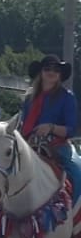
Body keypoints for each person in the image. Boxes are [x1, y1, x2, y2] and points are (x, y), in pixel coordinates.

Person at [17, 54, 80, 204]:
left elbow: (71, 129)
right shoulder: (29, 98)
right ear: (41, 72)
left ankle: (76, 213)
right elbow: (23, 124)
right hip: (29, 144)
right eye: (47, 69)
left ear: (60, 75)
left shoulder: (67, 97)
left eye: (56, 70)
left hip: (58, 146)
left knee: (77, 172)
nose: (51, 72)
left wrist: (51, 127)